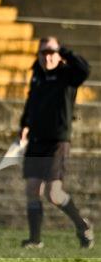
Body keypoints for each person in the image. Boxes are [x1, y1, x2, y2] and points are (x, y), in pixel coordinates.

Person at [19, 37, 94, 249]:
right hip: (35, 140)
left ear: (59, 53)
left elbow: (85, 69)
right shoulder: (38, 75)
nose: (47, 56)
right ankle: (35, 240)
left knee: (53, 193)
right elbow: (31, 101)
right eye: (43, 52)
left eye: (52, 52)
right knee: (32, 189)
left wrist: (63, 49)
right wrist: (24, 124)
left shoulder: (68, 75)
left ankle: (83, 226)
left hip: (57, 142)